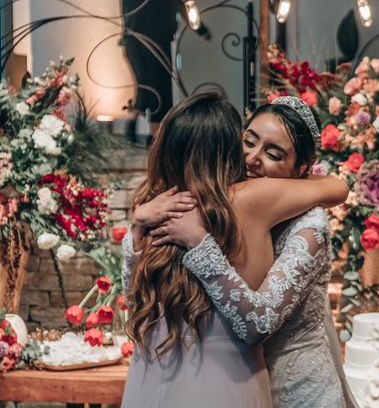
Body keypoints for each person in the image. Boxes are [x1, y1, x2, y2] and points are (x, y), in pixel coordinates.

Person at [121, 92, 349, 408]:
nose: (253, 158)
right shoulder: (211, 205)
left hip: (296, 384)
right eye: (248, 141)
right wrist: (139, 227)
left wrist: (194, 242)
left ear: (301, 170)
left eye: (273, 152)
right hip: (235, 377)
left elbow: (337, 187)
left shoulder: (292, 215)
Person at [119, 0, 210, 138]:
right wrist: (199, 28)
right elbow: (178, 5)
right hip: (154, 41)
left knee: (146, 87)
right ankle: (155, 136)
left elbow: (127, 14)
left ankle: (137, 126)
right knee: (158, 90)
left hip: (135, 42)